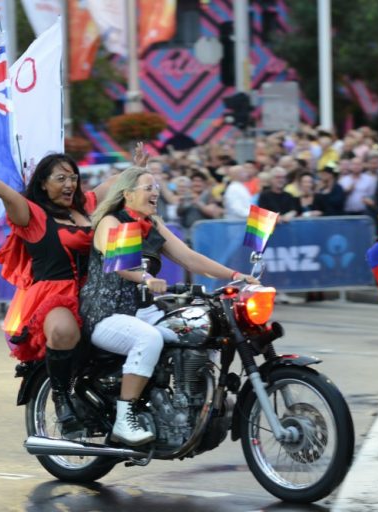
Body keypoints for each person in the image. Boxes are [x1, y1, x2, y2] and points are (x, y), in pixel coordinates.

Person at [0, 142, 141, 434]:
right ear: (43, 184)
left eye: (72, 177)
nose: (69, 184)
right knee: (64, 332)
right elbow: (6, 193)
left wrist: (136, 169)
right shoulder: (31, 214)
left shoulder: (85, 206)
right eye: (60, 178)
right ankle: (62, 397)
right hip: (54, 296)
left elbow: (107, 187)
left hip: (95, 292)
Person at [79, 166, 258, 445]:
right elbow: (119, 263)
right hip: (106, 312)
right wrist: (147, 278)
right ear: (127, 194)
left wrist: (236, 275)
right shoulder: (110, 222)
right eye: (148, 188)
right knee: (147, 339)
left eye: (157, 189)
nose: (155, 193)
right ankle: (124, 419)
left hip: (144, 311)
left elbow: (189, 257)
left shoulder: (152, 224)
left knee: (202, 330)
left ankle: (197, 402)